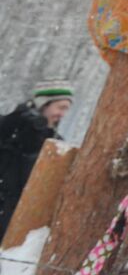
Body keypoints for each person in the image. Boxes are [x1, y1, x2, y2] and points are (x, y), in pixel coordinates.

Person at [0, 83, 73, 241]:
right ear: (44, 103)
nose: (62, 114)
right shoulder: (11, 125)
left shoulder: (55, 144)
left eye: (66, 109)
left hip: (16, 216)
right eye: (60, 107)